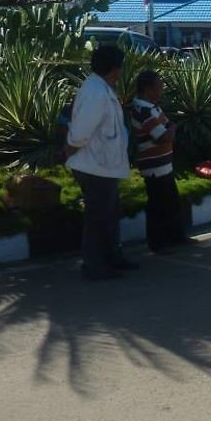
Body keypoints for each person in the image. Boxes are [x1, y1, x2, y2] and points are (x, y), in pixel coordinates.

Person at [65, 45, 134, 280]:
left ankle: (112, 257)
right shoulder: (95, 91)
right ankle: (95, 265)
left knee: (110, 214)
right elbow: (81, 131)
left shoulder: (101, 87)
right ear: (115, 68)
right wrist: (69, 150)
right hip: (93, 165)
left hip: (104, 165)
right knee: (98, 217)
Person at [130, 70, 187, 252]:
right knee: (158, 205)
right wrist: (170, 130)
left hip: (164, 164)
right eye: (158, 86)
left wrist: (170, 130)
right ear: (148, 88)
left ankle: (175, 237)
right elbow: (163, 135)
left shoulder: (153, 107)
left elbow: (169, 127)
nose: (161, 89)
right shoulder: (143, 110)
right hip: (153, 166)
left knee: (171, 202)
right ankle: (158, 242)